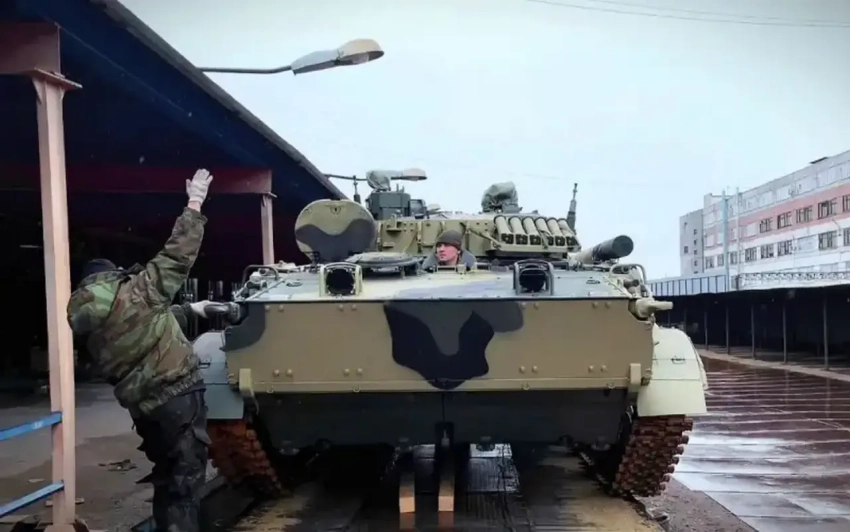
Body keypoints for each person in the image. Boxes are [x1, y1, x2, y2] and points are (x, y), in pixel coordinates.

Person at [66, 168, 215, 532]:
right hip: (178, 397)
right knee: (185, 485)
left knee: (168, 479)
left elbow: (143, 328)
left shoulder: (91, 322)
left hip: (144, 409)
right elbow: (178, 254)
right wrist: (195, 202)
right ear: (111, 278)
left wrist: (191, 311)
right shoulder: (138, 291)